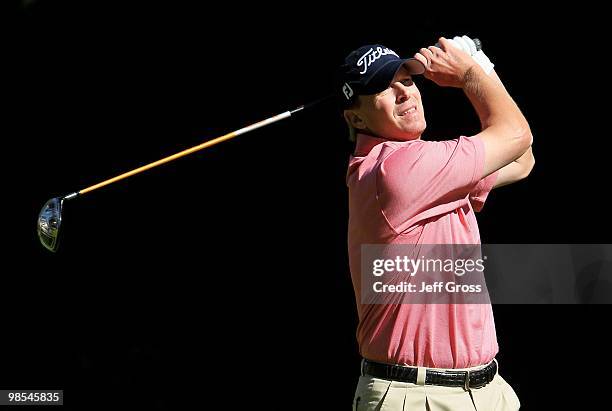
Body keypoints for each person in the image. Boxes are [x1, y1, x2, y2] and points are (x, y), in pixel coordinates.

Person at [339, 37, 535, 410]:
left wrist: (481, 66)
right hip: (415, 396)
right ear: (356, 118)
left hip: (487, 389)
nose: (403, 93)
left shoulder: (430, 170)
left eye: (407, 81)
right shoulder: (393, 171)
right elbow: (516, 134)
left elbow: (522, 158)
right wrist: (470, 73)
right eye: (383, 88)